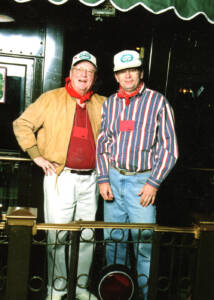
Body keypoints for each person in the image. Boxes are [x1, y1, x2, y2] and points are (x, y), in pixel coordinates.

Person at [13, 50, 106, 300]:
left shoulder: (102, 102)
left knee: (87, 236)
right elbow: (21, 124)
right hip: (60, 176)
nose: (84, 75)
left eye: (89, 71)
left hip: (92, 178)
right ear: (70, 73)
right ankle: (58, 287)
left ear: (94, 77)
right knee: (58, 234)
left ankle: (82, 288)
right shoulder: (51, 98)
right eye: (79, 70)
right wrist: (36, 155)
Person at [96, 50, 178, 300]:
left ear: (141, 72)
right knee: (115, 243)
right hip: (113, 180)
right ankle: (119, 295)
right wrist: (103, 178)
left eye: (132, 70)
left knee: (144, 245)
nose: (128, 75)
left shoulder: (158, 102)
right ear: (116, 76)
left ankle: (143, 296)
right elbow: (103, 144)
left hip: (142, 183)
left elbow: (169, 147)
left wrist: (154, 183)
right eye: (122, 71)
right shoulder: (110, 103)